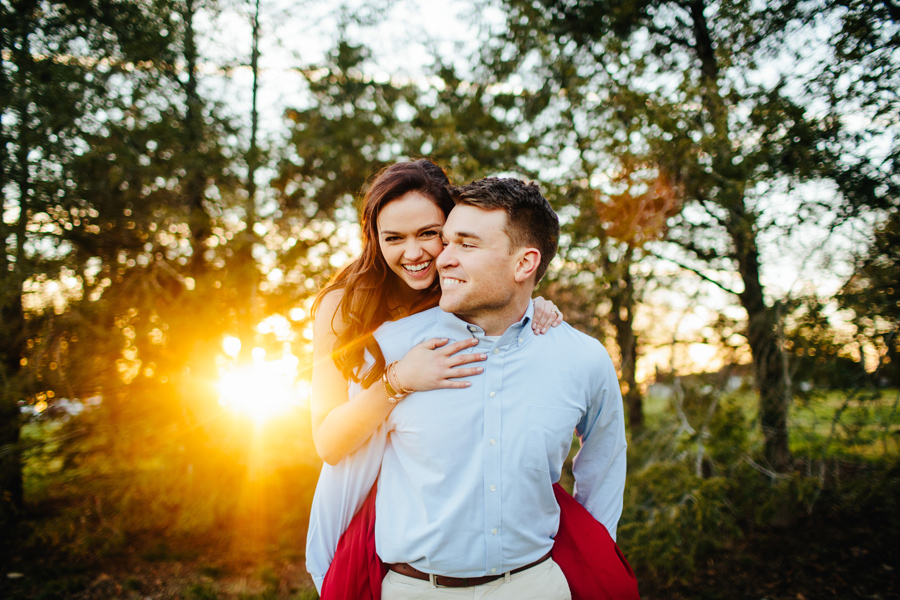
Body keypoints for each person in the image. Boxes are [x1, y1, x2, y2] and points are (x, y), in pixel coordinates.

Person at [305, 160, 564, 592]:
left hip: (482, 514)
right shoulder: (342, 306)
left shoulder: (469, 292)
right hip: (382, 511)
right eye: (394, 238)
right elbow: (329, 443)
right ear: (374, 240)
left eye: (430, 234)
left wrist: (535, 304)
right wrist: (397, 380)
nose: (414, 253)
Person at [369, 177, 629, 599]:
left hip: (535, 585)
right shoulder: (390, 348)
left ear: (524, 264)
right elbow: (342, 475)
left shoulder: (583, 359)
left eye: (466, 245)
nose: (442, 259)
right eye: (446, 241)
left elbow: (605, 465)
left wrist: (594, 561)